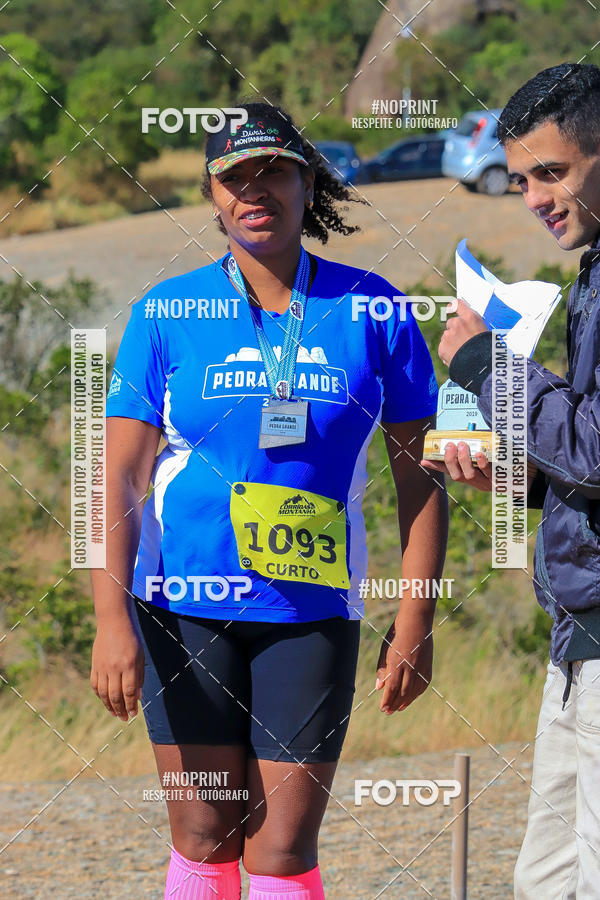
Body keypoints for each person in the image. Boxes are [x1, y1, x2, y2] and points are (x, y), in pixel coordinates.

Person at [91, 100, 448, 900]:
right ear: (214, 196)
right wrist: (111, 619)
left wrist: (417, 618)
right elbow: (116, 479)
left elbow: (419, 480)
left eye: (275, 171)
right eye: (235, 177)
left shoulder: (376, 309)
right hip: (181, 608)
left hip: (310, 614)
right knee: (203, 834)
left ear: (307, 181)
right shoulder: (166, 312)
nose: (256, 191)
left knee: (284, 847)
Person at [421, 63, 600, 899]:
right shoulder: (590, 275)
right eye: (524, 177)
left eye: (554, 173)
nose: (534, 197)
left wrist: (484, 361)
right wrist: (513, 474)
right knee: (545, 882)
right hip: (577, 629)